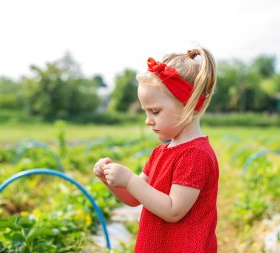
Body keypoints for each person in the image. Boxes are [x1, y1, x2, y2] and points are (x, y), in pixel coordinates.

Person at [93, 47, 219, 253]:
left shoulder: (195, 154)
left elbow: (173, 210)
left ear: (189, 105)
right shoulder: (161, 152)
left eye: (155, 111)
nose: (148, 120)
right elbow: (135, 198)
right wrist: (110, 180)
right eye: (146, 111)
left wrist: (130, 180)